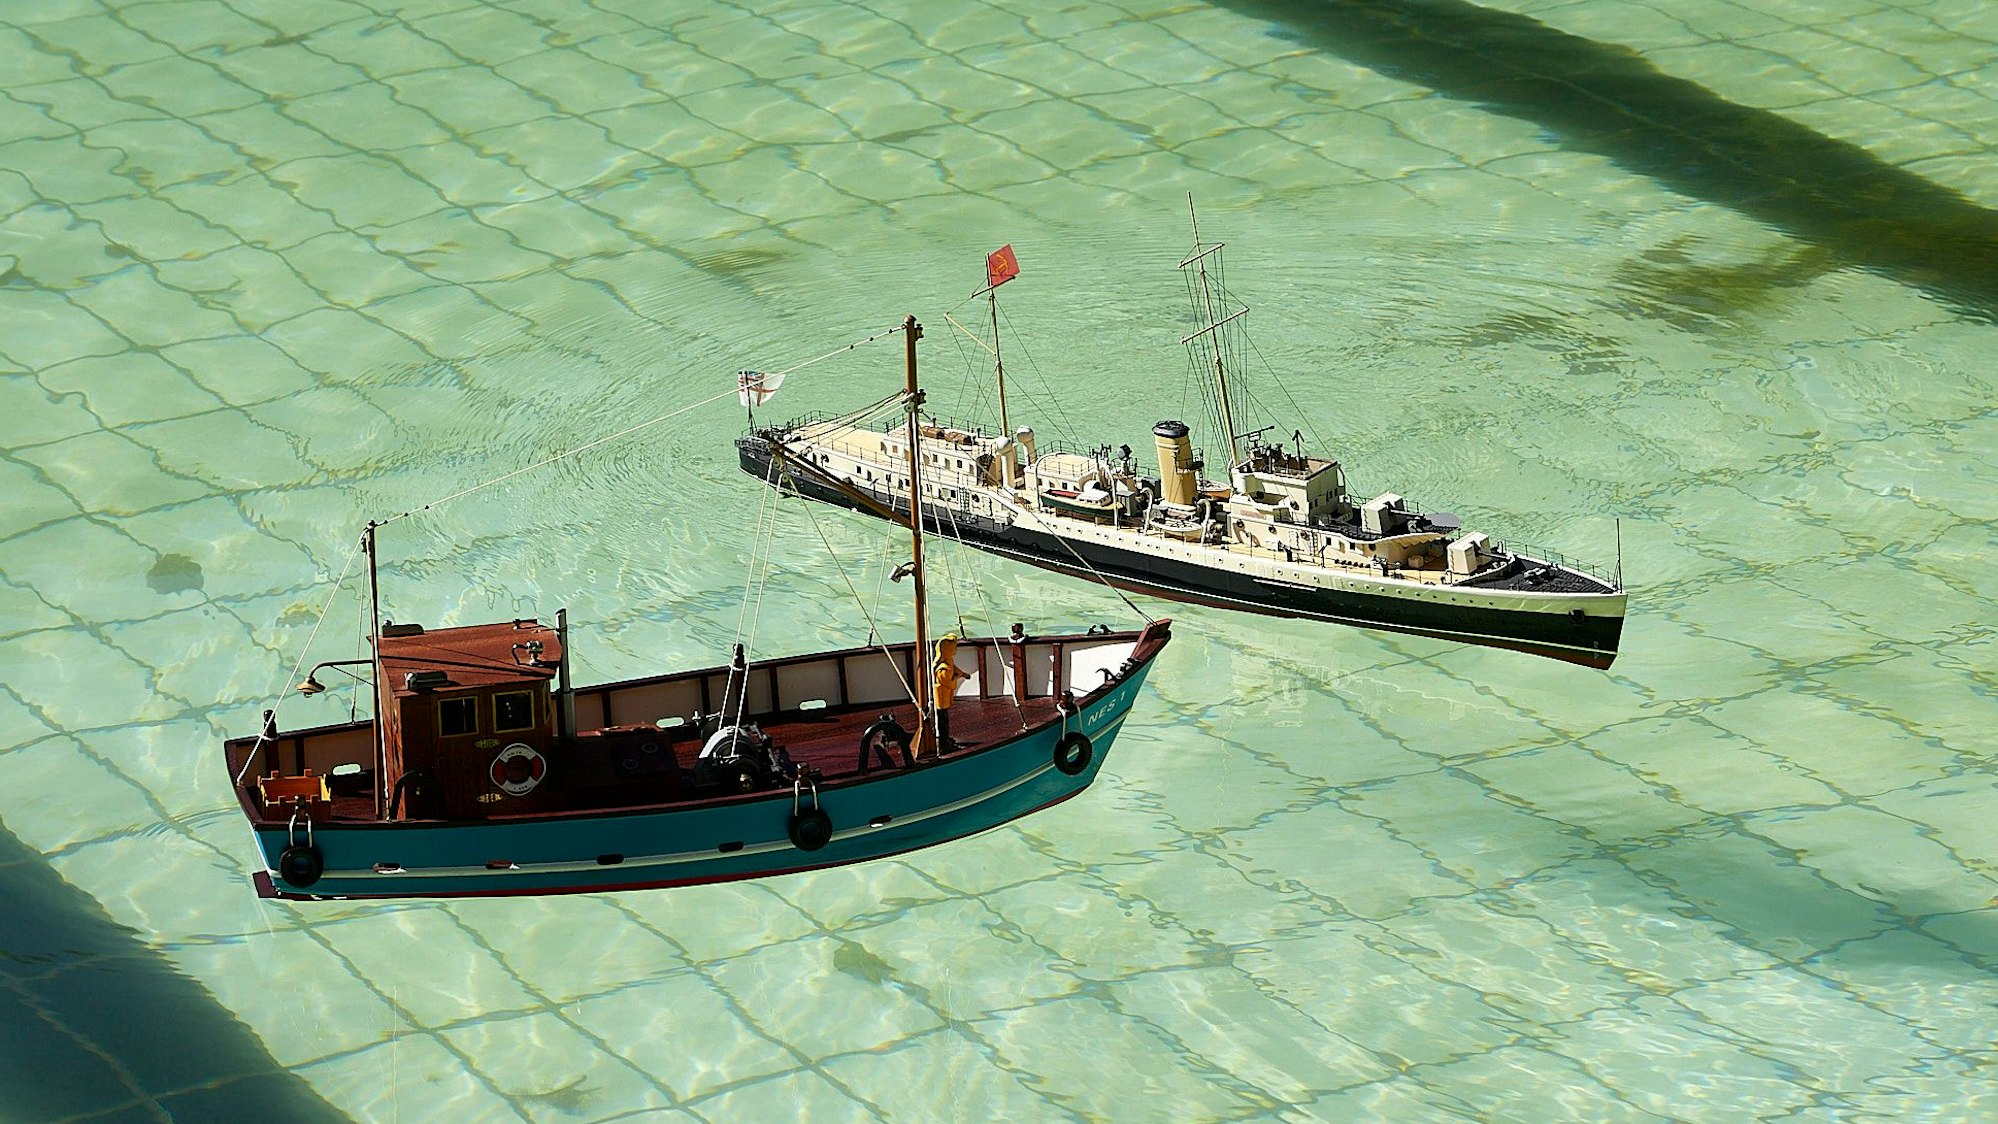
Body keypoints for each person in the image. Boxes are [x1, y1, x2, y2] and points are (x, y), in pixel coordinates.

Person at [931, 633, 975, 753]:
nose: (956, 650)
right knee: (942, 719)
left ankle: (944, 740)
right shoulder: (943, 668)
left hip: (945, 695)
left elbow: (955, 669)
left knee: (944, 719)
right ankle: (943, 743)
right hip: (941, 696)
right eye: (954, 648)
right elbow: (947, 682)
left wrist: (963, 674)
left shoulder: (949, 661)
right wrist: (957, 677)